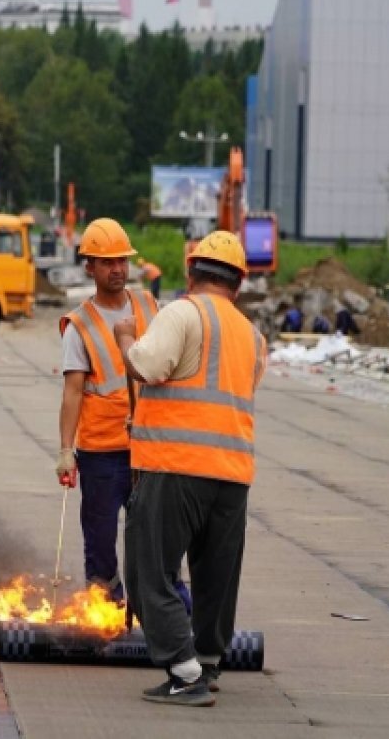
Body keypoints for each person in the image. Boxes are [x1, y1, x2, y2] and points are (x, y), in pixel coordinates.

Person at [112, 230, 267, 707]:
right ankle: (209, 660)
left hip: (175, 465)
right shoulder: (252, 334)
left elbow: (148, 365)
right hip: (232, 472)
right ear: (239, 283)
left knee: (147, 572)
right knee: (217, 574)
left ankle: (184, 673)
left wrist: (124, 340)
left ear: (191, 273)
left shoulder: (182, 312)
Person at [57, 219, 191, 610]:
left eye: (121, 260)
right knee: (100, 541)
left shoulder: (151, 307)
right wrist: (66, 450)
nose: (117, 269)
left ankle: (172, 615)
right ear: (90, 268)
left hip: (150, 446)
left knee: (159, 538)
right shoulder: (79, 326)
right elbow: (72, 392)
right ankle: (106, 611)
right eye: (106, 262)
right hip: (102, 454)